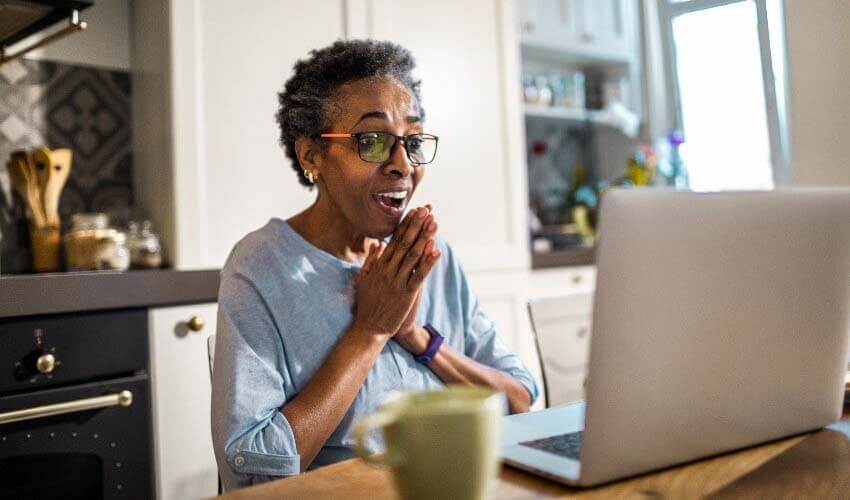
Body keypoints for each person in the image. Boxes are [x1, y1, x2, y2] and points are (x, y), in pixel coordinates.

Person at [211, 39, 538, 490]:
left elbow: (521, 401)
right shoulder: (261, 267)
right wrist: (371, 331)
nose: (403, 165)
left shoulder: (428, 253)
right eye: (374, 141)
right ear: (312, 156)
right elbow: (252, 471)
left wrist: (418, 338)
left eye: (413, 141)